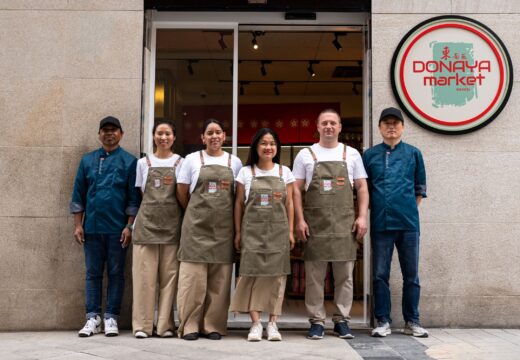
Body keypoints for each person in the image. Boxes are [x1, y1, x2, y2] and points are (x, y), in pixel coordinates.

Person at [292, 108, 369, 340]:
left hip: (345, 225)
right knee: (314, 277)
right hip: (315, 226)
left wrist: (362, 216)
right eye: (324, 123)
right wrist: (299, 219)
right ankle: (316, 321)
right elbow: (295, 189)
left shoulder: (351, 154)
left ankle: (342, 321)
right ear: (317, 126)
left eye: (332, 123)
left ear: (339, 127)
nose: (328, 127)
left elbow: (362, 187)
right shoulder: (306, 154)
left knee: (344, 276)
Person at [70, 116, 140, 337]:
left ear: (121, 134)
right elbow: (78, 194)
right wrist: (78, 225)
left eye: (114, 130)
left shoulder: (130, 162)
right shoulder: (87, 160)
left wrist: (129, 226)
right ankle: (92, 318)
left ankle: (111, 317)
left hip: (118, 229)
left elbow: (133, 200)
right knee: (92, 274)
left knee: (117, 273)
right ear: (99, 134)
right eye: (105, 130)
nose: (109, 133)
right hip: (91, 228)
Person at [362, 107, 428, 338]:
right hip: (381, 224)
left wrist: (405, 208)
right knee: (380, 274)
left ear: (402, 127)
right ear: (379, 127)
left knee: (411, 275)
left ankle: (412, 321)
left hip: (409, 224)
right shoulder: (369, 156)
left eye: (395, 123)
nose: (391, 127)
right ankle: (382, 320)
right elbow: (365, 191)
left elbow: (419, 190)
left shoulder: (414, 153)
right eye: (386, 123)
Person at [176, 118, 242, 340]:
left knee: (219, 282)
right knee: (192, 281)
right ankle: (189, 325)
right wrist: (195, 214)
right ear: (202, 138)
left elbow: (238, 199)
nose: (214, 136)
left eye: (218, 132)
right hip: (196, 229)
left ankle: (212, 325)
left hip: (224, 231)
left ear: (224, 136)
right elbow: (182, 191)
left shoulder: (235, 163)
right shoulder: (192, 160)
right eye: (209, 133)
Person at [230, 128, 295, 342]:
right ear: (256, 147)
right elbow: (239, 204)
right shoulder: (246, 172)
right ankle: (256, 324)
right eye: (264, 143)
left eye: (272, 144)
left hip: (278, 233)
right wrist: (238, 232)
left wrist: (291, 231)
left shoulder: (284, 172)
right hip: (252, 234)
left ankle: (273, 323)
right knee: (251, 276)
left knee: (277, 278)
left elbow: (291, 204)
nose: (268, 147)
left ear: (277, 148)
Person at [132, 121, 183, 339]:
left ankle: (165, 326)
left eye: (168, 133)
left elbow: (182, 192)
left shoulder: (181, 162)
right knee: (144, 278)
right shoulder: (143, 163)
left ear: (174, 137)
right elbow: (142, 193)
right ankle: (142, 326)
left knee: (169, 278)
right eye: (159, 133)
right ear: (154, 136)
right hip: (146, 227)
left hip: (172, 227)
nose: (163, 137)